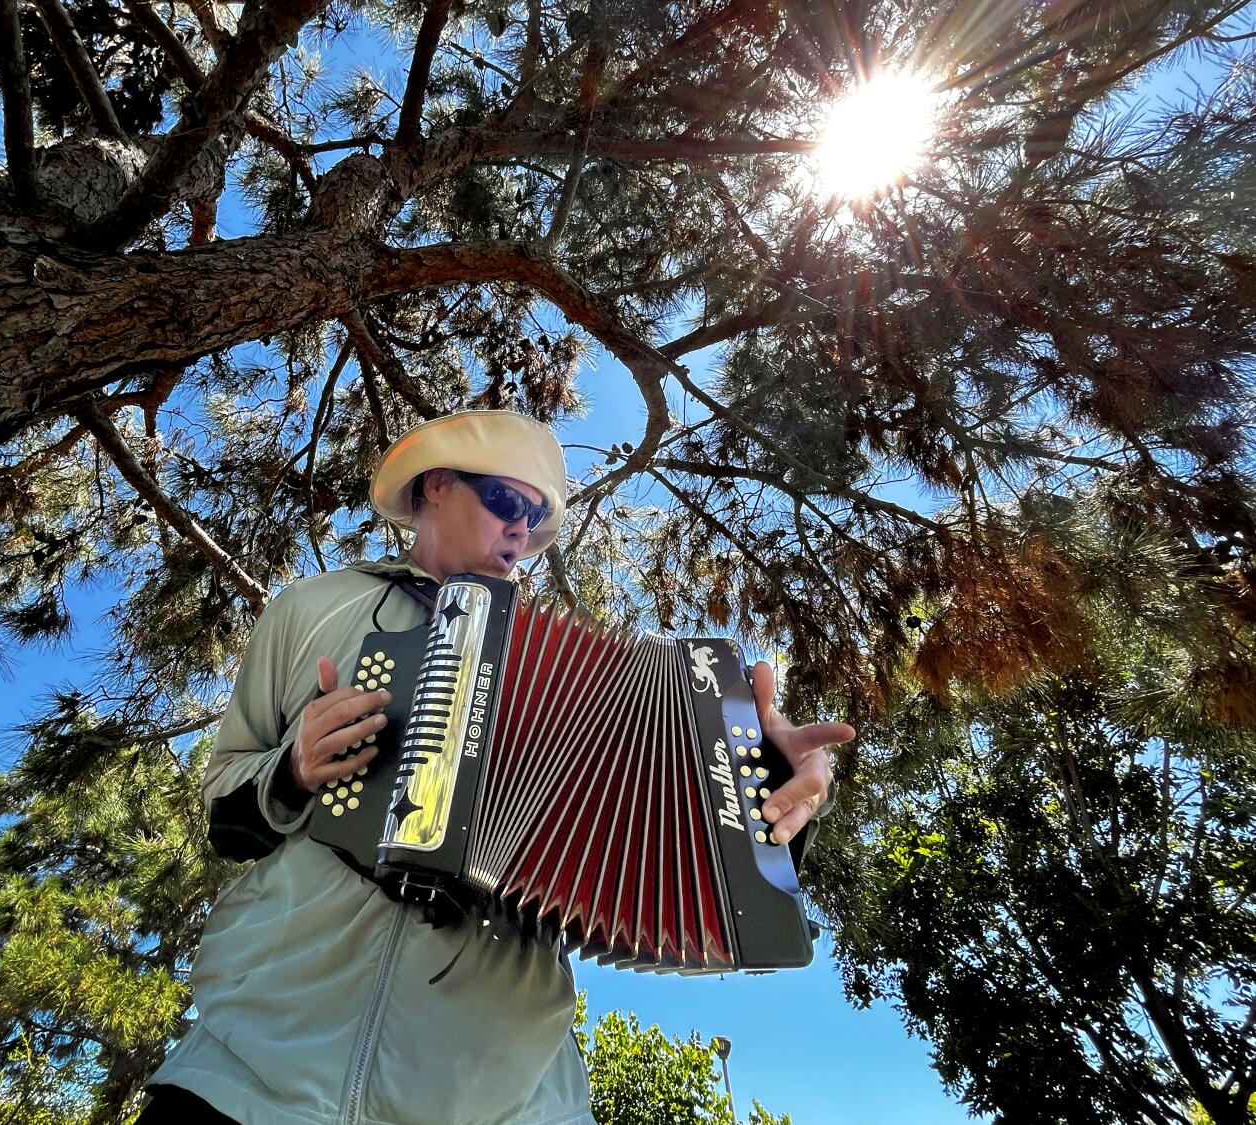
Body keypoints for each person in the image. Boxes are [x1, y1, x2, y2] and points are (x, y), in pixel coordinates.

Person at [139, 410, 854, 1125]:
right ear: (438, 485)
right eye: (509, 503)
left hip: (505, 1101)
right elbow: (225, 814)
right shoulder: (311, 608)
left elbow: (688, 867)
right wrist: (291, 769)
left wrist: (768, 784)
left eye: (535, 517)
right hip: (247, 1076)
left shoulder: (583, 684)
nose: (521, 531)